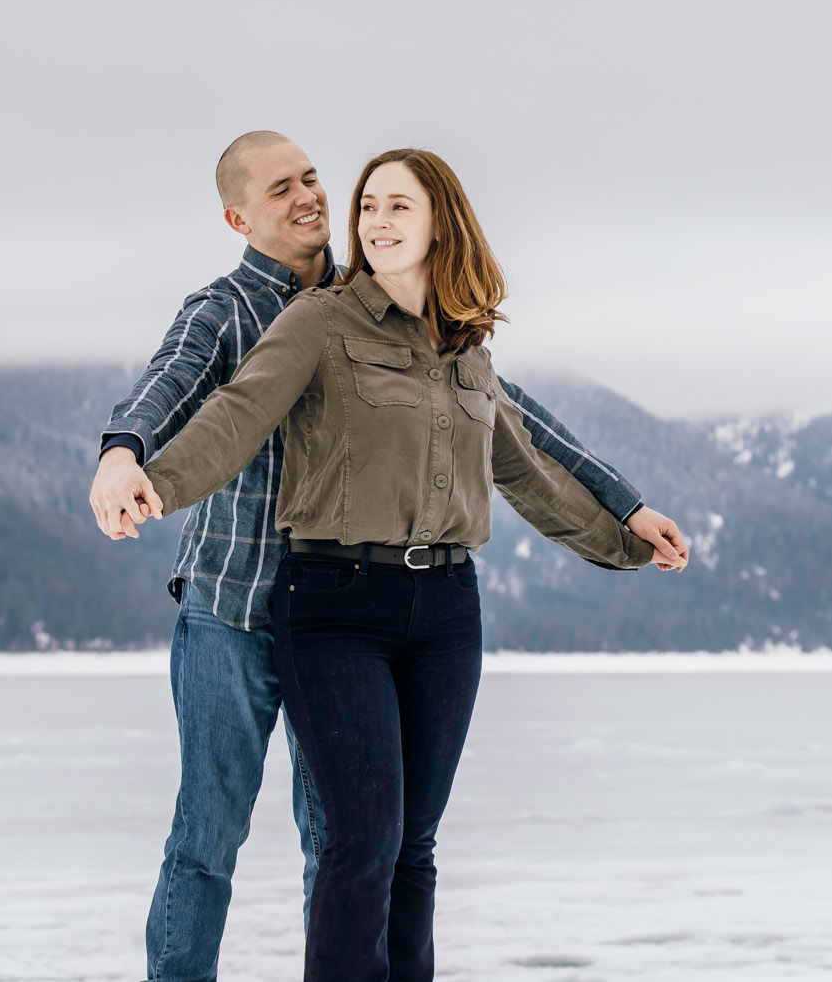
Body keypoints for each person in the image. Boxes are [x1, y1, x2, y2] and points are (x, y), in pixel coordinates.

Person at [90, 132, 688, 982]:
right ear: (237, 217)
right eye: (280, 189)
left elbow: (513, 425)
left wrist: (623, 504)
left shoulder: (385, 303)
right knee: (209, 836)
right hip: (234, 606)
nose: (312, 199)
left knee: (344, 841)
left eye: (312, 179)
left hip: (332, 608)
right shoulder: (226, 311)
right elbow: (181, 387)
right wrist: (125, 452)